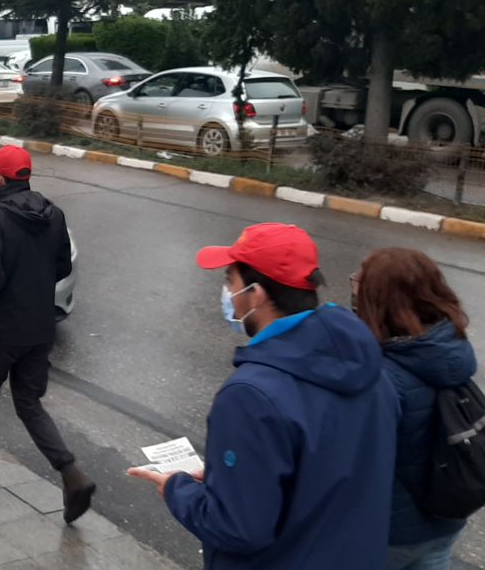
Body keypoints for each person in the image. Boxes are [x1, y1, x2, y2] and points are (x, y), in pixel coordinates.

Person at [127, 223, 400, 569]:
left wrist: (177, 489)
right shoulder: (372, 368)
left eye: (230, 281)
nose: (228, 293)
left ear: (256, 294)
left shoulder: (250, 396)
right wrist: (233, 477)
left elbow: (238, 529)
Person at [0, 145, 96, 524]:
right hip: (40, 326)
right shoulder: (54, 213)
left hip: (0, 329)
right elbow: (61, 266)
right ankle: (71, 474)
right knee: (29, 402)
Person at [352, 248, 477, 570]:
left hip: (391, 533)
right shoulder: (451, 348)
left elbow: (357, 460)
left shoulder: (382, 376)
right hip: (445, 521)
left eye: (360, 284)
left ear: (379, 300)